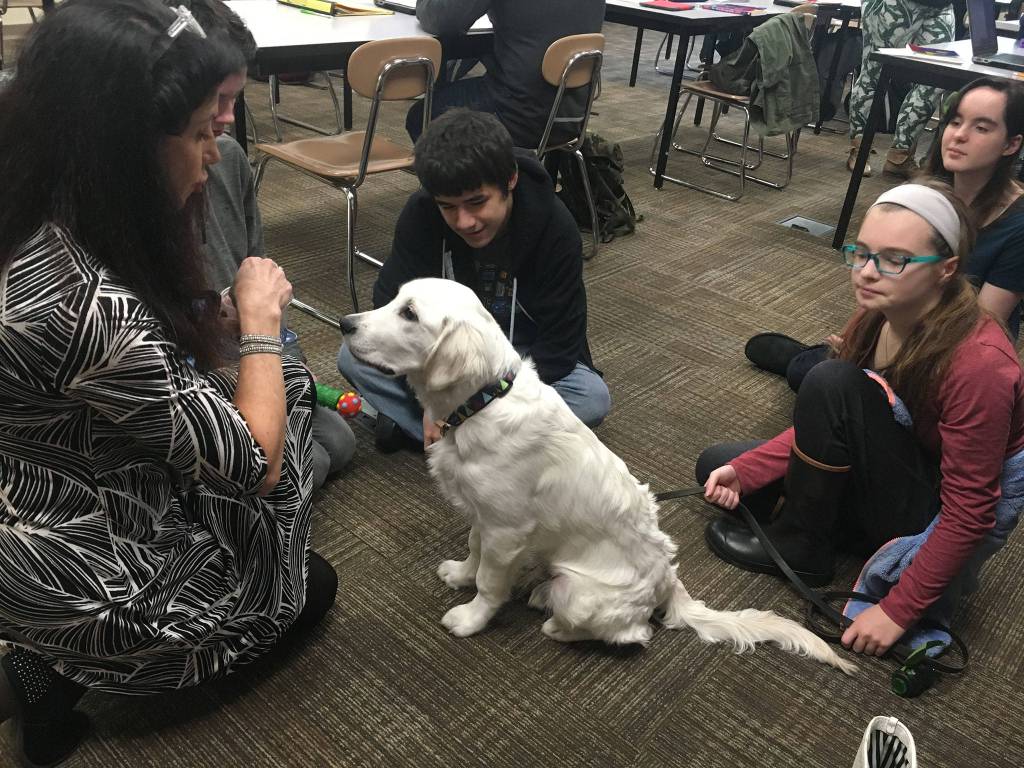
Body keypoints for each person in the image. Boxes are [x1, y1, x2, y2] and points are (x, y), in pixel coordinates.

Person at [0, 3, 336, 765]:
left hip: (44, 492)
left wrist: (208, 324)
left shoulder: (35, 198)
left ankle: (48, 666)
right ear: (121, 148)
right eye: (196, 132)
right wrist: (257, 320)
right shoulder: (76, 300)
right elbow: (256, 460)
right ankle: (62, 666)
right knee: (309, 582)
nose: (214, 153)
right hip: (79, 563)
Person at [699, 182, 1024, 658]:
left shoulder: (980, 363)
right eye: (862, 253)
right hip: (897, 468)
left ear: (947, 270)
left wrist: (897, 610)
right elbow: (839, 420)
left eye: (894, 259)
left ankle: (803, 546)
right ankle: (824, 526)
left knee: (830, 379)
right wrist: (747, 470)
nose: (867, 273)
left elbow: (971, 511)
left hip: (930, 509)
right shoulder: (880, 312)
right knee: (718, 464)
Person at [166, 0, 356, 490]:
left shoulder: (226, 160)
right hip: (189, 372)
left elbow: (254, 270)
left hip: (228, 345)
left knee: (335, 439)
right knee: (292, 459)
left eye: (236, 100)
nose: (224, 125)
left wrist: (251, 318)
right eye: (213, 109)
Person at [339, 108, 610, 450]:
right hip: (441, 359)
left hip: (520, 359)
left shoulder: (555, 227)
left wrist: (465, 403)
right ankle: (471, 443)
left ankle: (446, 435)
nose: (465, 221)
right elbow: (387, 302)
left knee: (591, 397)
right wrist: (432, 402)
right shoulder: (421, 214)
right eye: (448, 207)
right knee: (353, 356)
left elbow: (559, 348)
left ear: (510, 180)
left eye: (477, 202)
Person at [750, 77, 1024, 391]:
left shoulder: (1017, 224)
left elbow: (983, 322)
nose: (959, 136)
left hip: (955, 348)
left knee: (831, 381)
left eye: (982, 128)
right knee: (824, 375)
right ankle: (822, 362)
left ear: (1011, 144)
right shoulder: (925, 192)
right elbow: (878, 270)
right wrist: (856, 337)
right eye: (955, 121)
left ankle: (818, 362)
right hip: (902, 319)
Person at [406, 0, 605, 148]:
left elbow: (443, 20)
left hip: (518, 114)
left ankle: (476, 192)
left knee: (422, 116)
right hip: (572, 112)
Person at [846, 0, 954, 178]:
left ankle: (900, 157)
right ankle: (859, 151)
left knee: (935, 79)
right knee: (874, 71)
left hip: (942, 5)